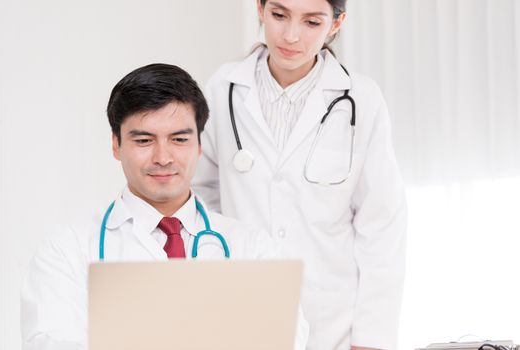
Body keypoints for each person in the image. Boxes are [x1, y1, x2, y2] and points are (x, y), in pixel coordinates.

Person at [21, 63, 309, 350]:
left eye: (179, 139)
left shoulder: (253, 249)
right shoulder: (66, 251)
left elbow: (285, 340)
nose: (163, 157)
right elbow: (51, 343)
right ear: (116, 145)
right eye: (144, 140)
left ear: (199, 145)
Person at [192, 0, 407, 349]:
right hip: (242, 306)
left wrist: (372, 337)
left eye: (311, 22)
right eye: (279, 15)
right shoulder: (223, 88)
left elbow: (382, 224)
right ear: (260, 9)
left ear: (336, 24)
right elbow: (200, 194)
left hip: (332, 320)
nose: (291, 35)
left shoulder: (361, 98)